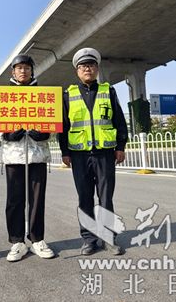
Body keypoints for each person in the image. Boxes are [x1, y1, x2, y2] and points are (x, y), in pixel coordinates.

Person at [58, 47, 128, 256]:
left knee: (106, 197)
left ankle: (108, 237)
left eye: (91, 65)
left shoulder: (108, 91)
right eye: (83, 66)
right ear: (77, 71)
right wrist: (65, 152)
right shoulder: (67, 94)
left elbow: (119, 120)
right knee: (84, 198)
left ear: (97, 69)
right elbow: (63, 125)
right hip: (79, 155)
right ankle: (88, 239)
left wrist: (121, 146)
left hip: (104, 153)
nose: (87, 69)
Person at [0, 55, 55, 262]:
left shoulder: (43, 95)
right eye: (18, 68)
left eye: (27, 68)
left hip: (37, 155)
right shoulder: (4, 96)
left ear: (32, 71)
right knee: (14, 200)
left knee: (37, 200)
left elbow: (54, 123)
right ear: (13, 72)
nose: (23, 71)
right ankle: (17, 242)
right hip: (14, 156)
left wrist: (47, 134)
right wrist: (6, 135)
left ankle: (37, 239)